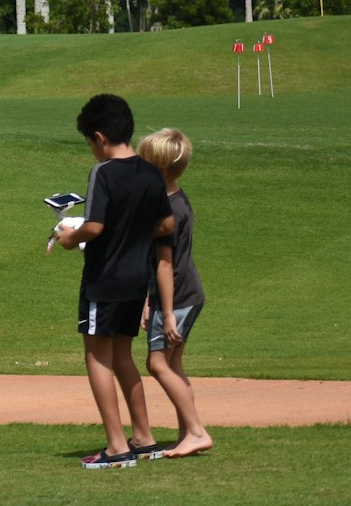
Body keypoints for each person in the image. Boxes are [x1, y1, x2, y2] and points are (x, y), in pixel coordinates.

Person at [51, 93, 174, 469]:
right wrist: (134, 230)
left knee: (97, 357)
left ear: (100, 137)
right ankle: (144, 437)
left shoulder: (102, 173)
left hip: (104, 281)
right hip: (138, 280)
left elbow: (95, 225)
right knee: (123, 356)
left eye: (90, 142)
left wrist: (69, 237)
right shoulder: (152, 172)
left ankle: (117, 446)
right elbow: (167, 224)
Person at [138, 127, 213, 457]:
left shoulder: (165, 211)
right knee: (174, 364)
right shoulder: (175, 200)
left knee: (157, 364)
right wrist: (147, 300)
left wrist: (165, 313)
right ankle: (188, 434)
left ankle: (197, 431)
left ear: (161, 170)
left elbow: (164, 266)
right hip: (186, 294)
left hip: (177, 298)